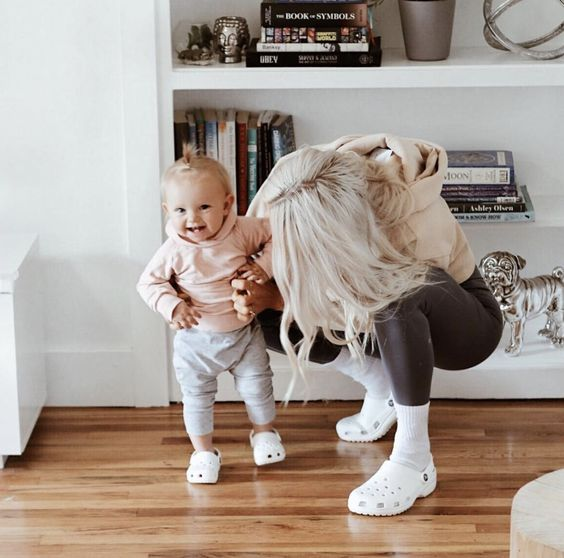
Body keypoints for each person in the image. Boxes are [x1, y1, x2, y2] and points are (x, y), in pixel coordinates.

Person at [231, 134, 503, 515]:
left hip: (462, 328)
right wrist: (249, 283)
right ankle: (379, 382)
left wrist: (280, 297)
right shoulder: (293, 182)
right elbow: (247, 247)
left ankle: (414, 458)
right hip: (368, 319)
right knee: (241, 297)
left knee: (402, 292)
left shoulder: (409, 216)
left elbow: (370, 303)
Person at [137, 145, 285, 485]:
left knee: (259, 386)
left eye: (204, 207)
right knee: (197, 399)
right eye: (180, 210)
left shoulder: (243, 231)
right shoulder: (173, 250)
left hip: (244, 334)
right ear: (167, 211)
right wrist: (172, 305)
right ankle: (203, 451)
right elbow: (148, 283)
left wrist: (263, 265)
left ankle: (263, 432)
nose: (193, 219)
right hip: (196, 342)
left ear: (227, 205)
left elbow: (280, 233)